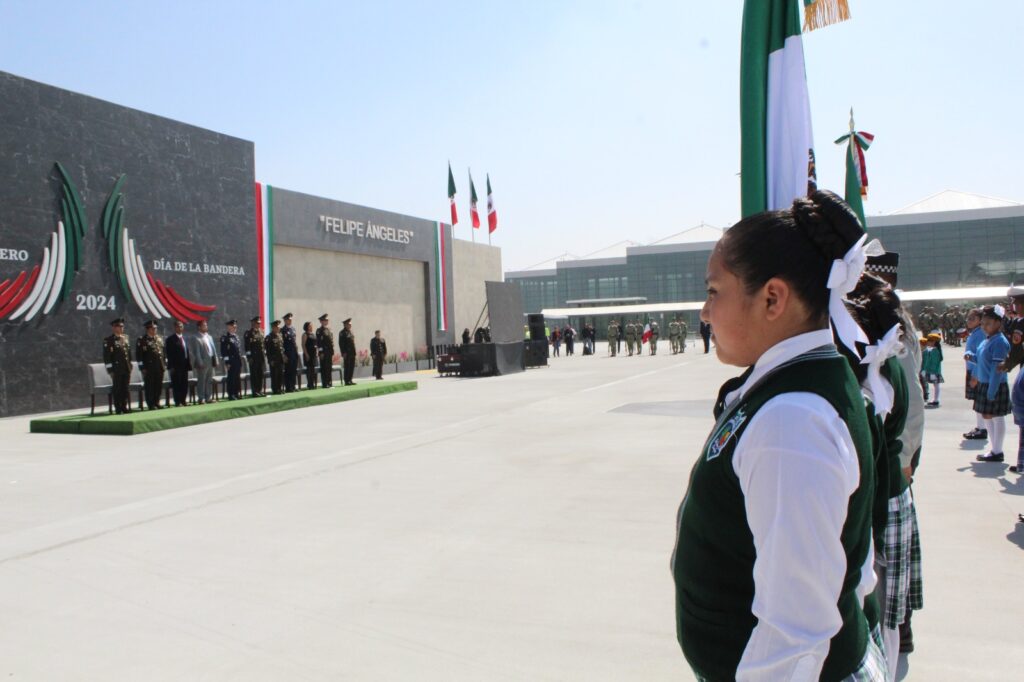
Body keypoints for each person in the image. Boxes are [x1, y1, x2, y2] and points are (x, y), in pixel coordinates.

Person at [672, 190, 883, 681]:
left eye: (714, 291)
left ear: (772, 298)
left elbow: (796, 629)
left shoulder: (791, 421)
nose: (705, 312)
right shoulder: (803, 380)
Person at [973, 305, 1011, 462]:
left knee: (996, 416)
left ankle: (997, 450)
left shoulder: (999, 342)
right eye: (982, 323)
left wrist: (992, 390)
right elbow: (983, 361)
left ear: (998, 323)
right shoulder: (988, 340)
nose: (984, 326)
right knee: (987, 415)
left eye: (988, 323)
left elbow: (997, 369)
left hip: (994, 384)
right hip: (985, 383)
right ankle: (994, 450)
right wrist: (971, 356)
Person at [962, 308, 987, 440]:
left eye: (972, 318)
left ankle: (982, 429)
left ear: (980, 320)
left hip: (976, 371)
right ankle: (980, 426)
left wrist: (975, 375)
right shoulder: (975, 332)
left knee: (979, 400)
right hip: (972, 369)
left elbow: (980, 356)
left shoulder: (980, 334)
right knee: (977, 400)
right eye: (968, 318)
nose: (969, 321)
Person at [102, 317, 132, 414]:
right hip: (116, 368)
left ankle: (124, 406)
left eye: (122, 326)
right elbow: (107, 357)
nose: (121, 328)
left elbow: (128, 353)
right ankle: (118, 407)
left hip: (126, 367)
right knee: (117, 388)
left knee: (125, 388)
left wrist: (130, 365)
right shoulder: (109, 340)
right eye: (119, 326)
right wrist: (110, 370)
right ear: (114, 328)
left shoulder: (125, 338)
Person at [135, 320, 166, 410]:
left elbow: (164, 353)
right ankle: (151, 404)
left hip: (159, 366)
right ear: (147, 329)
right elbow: (139, 356)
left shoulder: (159, 338)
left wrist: (165, 363)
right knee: (150, 386)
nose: (154, 330)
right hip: (149, 368)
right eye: (152, 328)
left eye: (155, 328)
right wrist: (142, 367)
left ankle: (157, 402)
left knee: (158, 386)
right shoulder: (142, 340)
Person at [189, 319, 219, 404]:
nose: (206, 327)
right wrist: (200, 362)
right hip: (202, 363)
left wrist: (215, 360)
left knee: (209, 380)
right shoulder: (196, 337)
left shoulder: (209, 337)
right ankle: (201, 398)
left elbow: (214, 350)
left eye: (206, 325)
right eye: (204, 325)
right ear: (199, 327)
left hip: (210, 362)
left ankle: (208, 397)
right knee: (201, 381)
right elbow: (196, 352)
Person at [165, 319, 191, 406]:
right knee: (177, 384)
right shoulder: (170, 339)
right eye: (178, 326)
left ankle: (183, 400)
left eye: (181, 326)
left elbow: (186, 352)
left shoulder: (184, 338)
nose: (180, 328)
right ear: (175, 328)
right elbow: (169, 354)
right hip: (175, 366)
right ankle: (178, 401)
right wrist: (171, 366)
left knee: (184, 384)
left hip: (184, 365)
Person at [244, 316, 267, 397]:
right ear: (253, 323)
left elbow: (263, 345)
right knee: (254, 375)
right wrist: (249, 357)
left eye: (259, 323)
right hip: (253, 358)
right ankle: (255, 391)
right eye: (257, 323)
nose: (259, 324)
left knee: (260, 374)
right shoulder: (249, 333)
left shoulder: (261, 332)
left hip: (261, 357)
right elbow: (247, 347)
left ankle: (259, 390)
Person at [920, 333, 944, 407]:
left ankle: (936, 400)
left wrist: (927, 370)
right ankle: (935, 399)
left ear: (934, 342)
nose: (927, 343)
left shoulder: (934, 351)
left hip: (934, 371)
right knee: (936, 385)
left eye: (929, 341)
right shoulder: (935, 350)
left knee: (936, 386)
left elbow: (932, 362)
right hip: (935, 371)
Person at [220, 319, 242, 400]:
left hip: (237, 361)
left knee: (237, 378)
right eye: (233, 326)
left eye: (235, 326)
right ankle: (231, 394)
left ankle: (236, 393)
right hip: (231, 361)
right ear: (229, 327)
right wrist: (227, 362)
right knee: (231, 378)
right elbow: (223, 351)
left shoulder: (236, 337)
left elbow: (238, 350)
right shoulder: (225, 338)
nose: (235, 327)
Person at [265, 319, 285, 394]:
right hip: (274, 359)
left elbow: (281, 347)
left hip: (280, 358)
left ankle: (279, 388)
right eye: (277, 327)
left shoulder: (280, 336)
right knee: (274, 375)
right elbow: (268, 350)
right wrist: (270, 360)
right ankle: (275, 389)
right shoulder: (269, 337)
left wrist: (284, 356)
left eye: (278, 327)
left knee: (280, 374)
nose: (278, 328)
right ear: (273, 328)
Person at [316, 314, 335, 388]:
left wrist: (332, 350)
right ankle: (325, 383)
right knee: (324, 368)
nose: (326, 321)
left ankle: (329, 382)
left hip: (329, 351)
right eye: (325, 320)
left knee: (329, 367)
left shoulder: (328, 329)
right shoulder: (319, 330)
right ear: (321, 321)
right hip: (324, 352)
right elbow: (319, 343)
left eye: (327, 320)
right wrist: (321, 352)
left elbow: (331, 341)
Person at [282, 312, 299, 392]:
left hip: (294, 353)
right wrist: (284, 355)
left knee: (293, 370)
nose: (290, 321)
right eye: (288, 319)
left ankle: (293, 386)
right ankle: (288, 387)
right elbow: (281, 344)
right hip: (287, 353)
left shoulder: (293, 329)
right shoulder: (283, 330)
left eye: (291, 319)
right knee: (288, 370)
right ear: (285, 320)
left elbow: (294, 341)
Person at [301, 321, 318, 390]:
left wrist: (316, 352)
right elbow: (303, 345)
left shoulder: (313, 334)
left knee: (313, 369)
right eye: (310, 326)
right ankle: (310, 384)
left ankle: (312, 383)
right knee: (309, 369)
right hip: (308, 354)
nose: (311, 327)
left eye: (312, 325)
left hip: (313, 354)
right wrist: (306, 354)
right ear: (307, 327)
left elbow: (316, 344)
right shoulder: (305, 335)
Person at [340, 317, 357, 385]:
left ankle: (350, 379)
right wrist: (343, 352)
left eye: (350, 324)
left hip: (352, 352)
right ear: (345, 325)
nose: (350, 325)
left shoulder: (351, 332)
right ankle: (346, 380)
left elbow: (353, 342)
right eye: (348, 324)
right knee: (347, 366)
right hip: (346, 352)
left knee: (352, 366)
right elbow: (341, 343)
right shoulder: (342, 333)